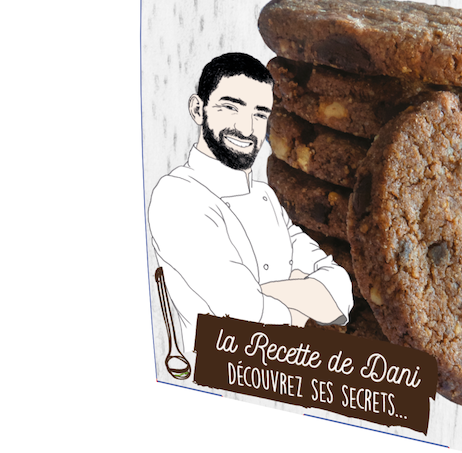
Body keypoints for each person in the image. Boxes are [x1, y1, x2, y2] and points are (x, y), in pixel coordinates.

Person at [148, 52, 353, 358]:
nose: (246, 128)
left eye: (259, 114)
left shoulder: (265, 197)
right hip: (221, 371)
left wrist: (267, 294)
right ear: (198, 109)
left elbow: (340, 294)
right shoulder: (176, 196)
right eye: (231, 107)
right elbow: (244, 320)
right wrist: (301, 295)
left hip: (290, 373)